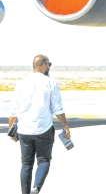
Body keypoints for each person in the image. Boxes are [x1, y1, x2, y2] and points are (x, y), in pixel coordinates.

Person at [8, 55, 71, 194]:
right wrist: (65, 126)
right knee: (43, 161)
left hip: (24, 131)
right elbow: (58, 108)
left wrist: (11, 130)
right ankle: (36, 188)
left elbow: (13, 111)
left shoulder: (21, 83)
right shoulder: (51, 83)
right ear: (43, 65)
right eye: (49, 64)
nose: (49, 67)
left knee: (26, 164)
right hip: (44, 130)